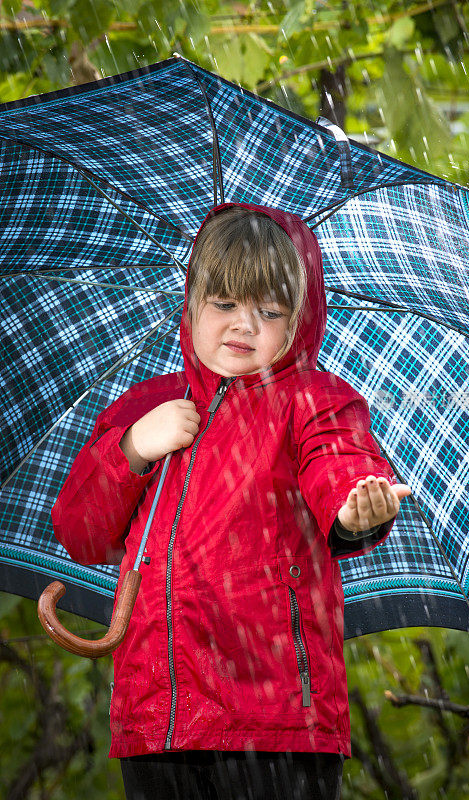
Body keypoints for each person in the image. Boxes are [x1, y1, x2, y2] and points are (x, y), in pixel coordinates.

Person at [51, 202, 411, 800]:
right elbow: (82, 531)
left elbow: (336, 460)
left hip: (276, 722)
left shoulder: (314, 401)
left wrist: (352, 506)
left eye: (268, 311)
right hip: (156, 717)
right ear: (191, 305)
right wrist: (133, 447)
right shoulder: (145, 407)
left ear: (298, 319)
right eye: (224, 304)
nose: (244, 325)